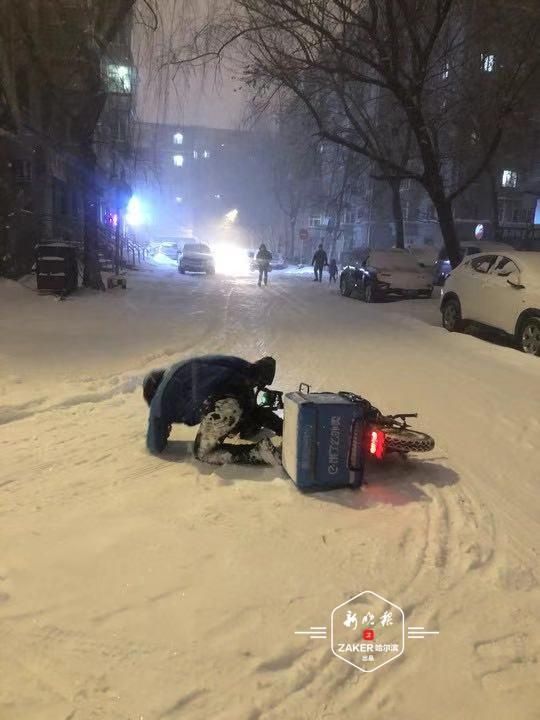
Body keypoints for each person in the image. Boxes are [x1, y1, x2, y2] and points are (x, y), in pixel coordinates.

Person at [143, 355, 283, 466]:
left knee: (203, 452)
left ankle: (260, 452)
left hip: (224, 405)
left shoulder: (159, 397)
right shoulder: (185, 366)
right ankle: (285, 427)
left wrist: (163, 426)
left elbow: (154, 445)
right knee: (248, 413)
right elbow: (235, 364)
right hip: (243, 393)